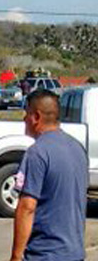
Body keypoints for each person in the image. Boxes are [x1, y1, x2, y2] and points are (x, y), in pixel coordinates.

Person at [10, 89, 88, 261]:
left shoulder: (36, 153)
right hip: (74, 252)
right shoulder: (78, 149)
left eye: (27, 114)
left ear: (36, 117)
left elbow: (27, 207)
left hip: (45, 253)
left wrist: (16, 256)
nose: (24, 119)